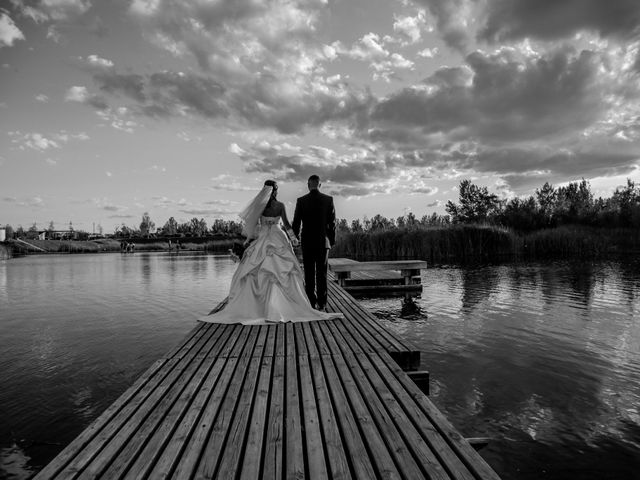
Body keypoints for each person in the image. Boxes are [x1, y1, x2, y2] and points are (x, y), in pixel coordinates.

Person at [200, 180, 342, 325]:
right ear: (274, 191)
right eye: (277, 190)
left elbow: (253, 227)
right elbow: (286, 225)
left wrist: (248, 241)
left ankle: (257, 308)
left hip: (263, 239)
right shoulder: (280, 206)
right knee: (284, 271)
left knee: (255, 269)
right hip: (278, 237)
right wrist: (293, 239)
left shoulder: (260, 208)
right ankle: (296, 306)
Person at [292, 174, 335, 311]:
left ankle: (311, 302)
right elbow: (332, 224)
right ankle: (322, 304)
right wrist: (330, 241)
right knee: (322, 273)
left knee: (309, 273)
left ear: (308, 185)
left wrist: (295, 240)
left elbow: (296, 223)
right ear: (319, 185)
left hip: (307, 242)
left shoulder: (301, 201)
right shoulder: (328, 200)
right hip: (323, 242)